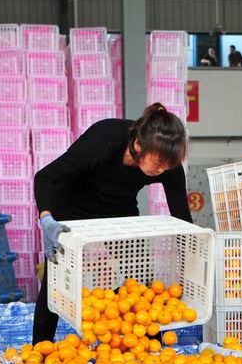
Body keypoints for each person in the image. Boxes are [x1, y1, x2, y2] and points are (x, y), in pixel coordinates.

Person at [32, 103, 192, 345]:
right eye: (158, 163)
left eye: (168, 165)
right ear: (138, 145)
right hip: (71, 205)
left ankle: (150, 349)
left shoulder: (166, 165)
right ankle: (39, 350)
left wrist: (191, 257)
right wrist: (47, 219)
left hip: (119, 211)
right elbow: (45, 176)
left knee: (139, 280)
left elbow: (182, 217)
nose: (163, 170)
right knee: (56, 281)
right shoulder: (103, 140)